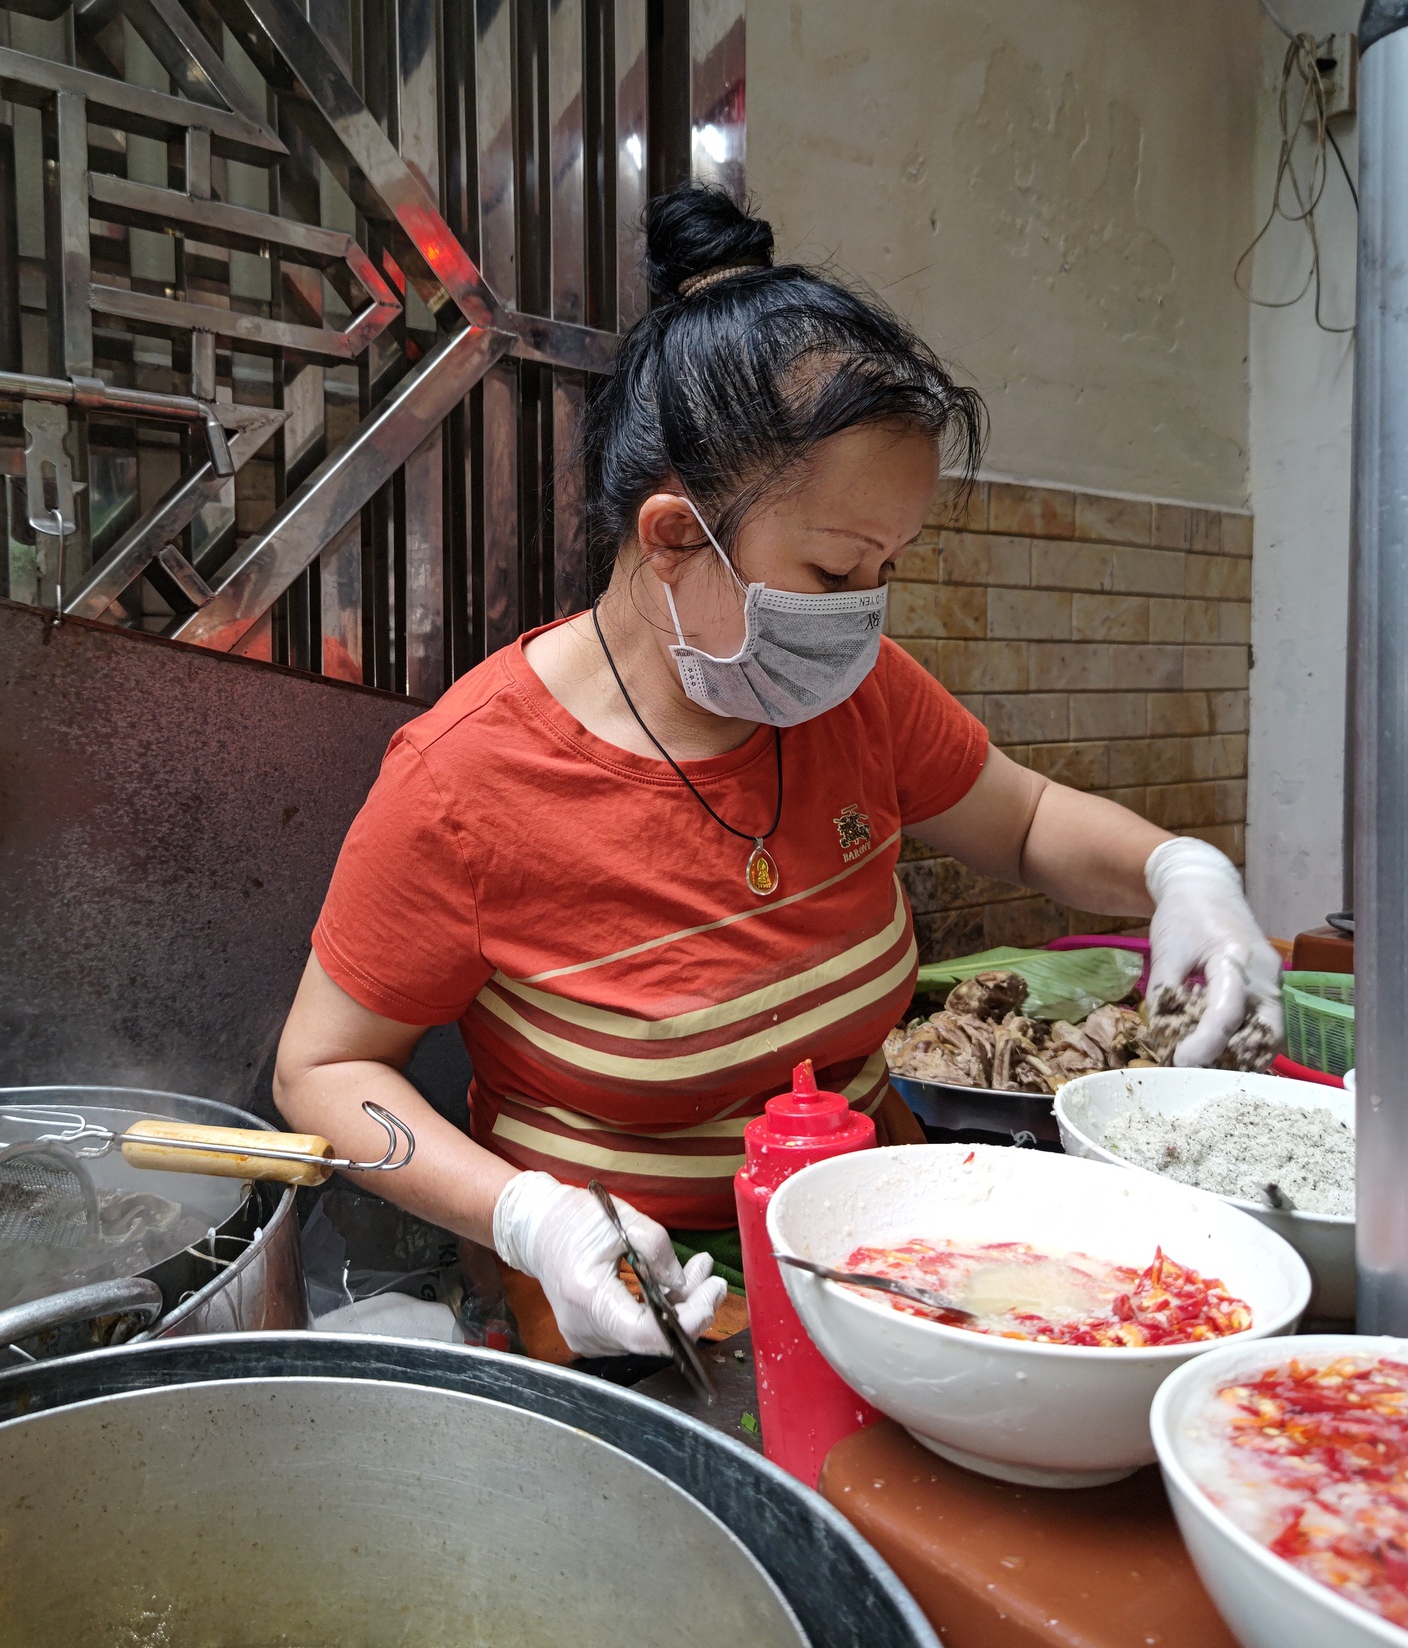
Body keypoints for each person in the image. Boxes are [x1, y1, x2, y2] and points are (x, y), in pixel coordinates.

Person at [275, 185, 1282, 1362]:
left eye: (888, 568)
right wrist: (532, 1218)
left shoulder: (861, 692)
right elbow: (324, 1068)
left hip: (883, 1254)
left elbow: (1030, 824)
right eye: (830, 569)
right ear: (670, 538)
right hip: (625, 1303)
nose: (863, 615)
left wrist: (1180, 870)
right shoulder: (467, 781)